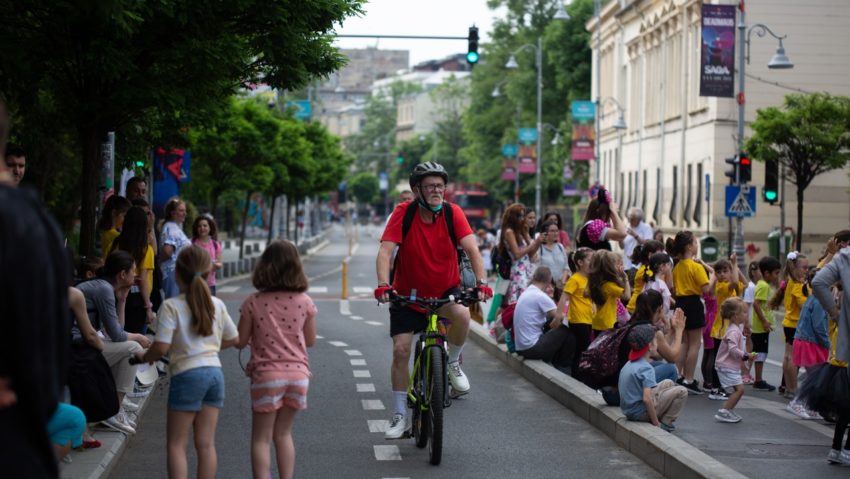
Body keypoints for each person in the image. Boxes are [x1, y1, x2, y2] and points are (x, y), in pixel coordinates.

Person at [374, 162, 491, 439]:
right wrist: (382, 285)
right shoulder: (404, 212)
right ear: (418, 190)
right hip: (407, 295)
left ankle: (451, 363)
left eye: (440, 185)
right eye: (430, 186)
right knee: (401, 350)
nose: (437, 191)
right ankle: (400, 414)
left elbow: (472, 249)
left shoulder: (453, 213)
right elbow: (385, 252)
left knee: (462, 316)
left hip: (444, 292)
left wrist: (482, 283)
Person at [136, 246, 239, 479]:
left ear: (177, 274)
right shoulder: (217, 304)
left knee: (177, 445)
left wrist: (145, 357)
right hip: (215, 374)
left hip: (188, 375)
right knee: (206, 445)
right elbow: (234, 339)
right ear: (208, 272)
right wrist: (209, 348)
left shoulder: (172, 306)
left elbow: (160, 347)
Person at [237, 240, 316, 479]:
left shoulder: (253, 302)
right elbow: (310, 340)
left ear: (265, 266)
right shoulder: (305, 301)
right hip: (298, 377)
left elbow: (241, 340)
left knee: (261, 438)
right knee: (283, 434)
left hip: (267, 376)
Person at [76, 251, 151, 435]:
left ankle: (115, 406)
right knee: (133, 348)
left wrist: (123, 300)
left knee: (129, 348)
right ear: (122, 274)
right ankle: (113, 411)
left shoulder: (106, 288)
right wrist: (138, 337)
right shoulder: (103, 289)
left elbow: (116, 330)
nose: (136, 275)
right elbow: (117, 336)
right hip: (77, 348)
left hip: (84, 345)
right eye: (133, 271)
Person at [807, 243, 850, 464]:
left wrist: (835, 314)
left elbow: (818, 281)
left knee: (847, 404)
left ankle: (836, 449)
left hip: (844, 349)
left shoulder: (845, 258)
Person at [668, 230, 714, 394]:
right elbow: (707, 289)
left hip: (680, 303)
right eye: (695, 242)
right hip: (693, 303)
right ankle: (689, 379)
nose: (697, 245)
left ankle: (677, 376)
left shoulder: (677, 266)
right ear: (689, 246)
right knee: (695, 344)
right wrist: (713, 275)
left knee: (684, 343)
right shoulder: (696, 267)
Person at [618, 324, 688, 432]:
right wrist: (655, 422)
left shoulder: (630, 364)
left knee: (668, 382)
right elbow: (647, 399)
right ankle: (665, 423)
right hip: (639, 413)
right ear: (650, 346)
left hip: (629, 410)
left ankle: (658, 416)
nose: (657, 344)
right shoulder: (646, 368)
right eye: (656, 341)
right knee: (682, 391)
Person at [513, 267, 575, 372]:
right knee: (568, 328)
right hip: (531, 348)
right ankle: (564, 367)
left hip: (520, 347)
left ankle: (558, 362)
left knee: (551, 323)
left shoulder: (527, 291)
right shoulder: (540, 296)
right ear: (549, 280)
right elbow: (560, 316)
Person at [769, 251, 809, 402]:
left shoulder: (790, 281)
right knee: (793, 358)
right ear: (795, 267)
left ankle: (788, 388)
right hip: (795, 322)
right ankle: (793, 388)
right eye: (804, 267)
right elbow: (802, 304)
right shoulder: (798, 283)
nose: (806, 270)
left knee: (787, 356)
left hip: (789, 322)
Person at [108, 206, 156, 333]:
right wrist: (148, 307)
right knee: (137, 341)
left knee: (118, 334)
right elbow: (143, 280)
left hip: (115, 295)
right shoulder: (145, 249)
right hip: (137, 300)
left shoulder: (115, 244)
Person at [705, 256, 743, 401]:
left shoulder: (730, 286)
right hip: (721, 329)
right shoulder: (722, 287)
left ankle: (719, 386)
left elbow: (742, 283)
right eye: (718, 272)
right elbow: (734, 282)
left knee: (722, 359)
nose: (722, 274)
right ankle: (715, 388)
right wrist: (734, 263)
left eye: (725, 271)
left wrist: (734, 266)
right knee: (718, 359)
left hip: (727, 329)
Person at [628, 290, 685, 383]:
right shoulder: (651, 330)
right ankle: (653, 396)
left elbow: (658, 356)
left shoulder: (631, 323)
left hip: (623, 375)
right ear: (659, 309)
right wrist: (679, 331)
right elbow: (672, 358)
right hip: (632, 379)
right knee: (672, 369)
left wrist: (671, 331)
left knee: (658, 363)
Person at [713, 298, 752, 423]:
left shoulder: (736, 328)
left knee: (738, 389)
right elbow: (732, 349)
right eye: (744, 313)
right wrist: (746, 355)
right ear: (736, 316)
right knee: (740, 390)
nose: (747, 315)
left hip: (729, 366)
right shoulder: (734, 331)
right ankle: (724, 411)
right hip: (726, 366)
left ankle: (728, 410)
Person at [557, 248, 593, 370]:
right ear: (580, 262)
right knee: (583, 349)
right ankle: (577, 375)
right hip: (578, 320)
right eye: (590, 259)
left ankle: (578, 373)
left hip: (588, 319)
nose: (593, 262)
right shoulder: (574, 279)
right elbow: (563, 298)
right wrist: (558, 317)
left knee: (582, 349)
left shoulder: (590, 279)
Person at [500, 203, 543, 304]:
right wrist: (533, 244)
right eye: (520, 216)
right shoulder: (509, 232)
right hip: (518, 271)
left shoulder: (521, 231)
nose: (522, 218)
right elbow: (517, 254)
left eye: (523, 215)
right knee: (518, 303)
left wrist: (537, 243)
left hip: (527, 269)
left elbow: (531, 254)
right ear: (513, 217)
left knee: (528, 301)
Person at [752, 256, 780, 391]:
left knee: (759, 352)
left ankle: (756, 378)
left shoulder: (763, 284)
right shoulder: (763, 285)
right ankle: (758, 379)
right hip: (760, 327)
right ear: (767, 273)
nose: (777, 276)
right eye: (776, 273)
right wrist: (764, 321)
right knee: (760, 353)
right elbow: (756, 304)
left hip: (760, 327)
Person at [588, 250, 631, 333]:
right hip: (608, 324)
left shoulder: (598, 283)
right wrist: (626, 278)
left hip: (598, 322)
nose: (621, 267)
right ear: (609, 267)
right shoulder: (609, 286)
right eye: (618, 264)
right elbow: (627, 296)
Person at [160, 197, 192, 299]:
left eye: (185, 211)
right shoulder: (170, 227)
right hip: (173, 273)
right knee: (174, 305)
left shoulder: (174, 227)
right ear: (173, 213)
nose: (184, 213)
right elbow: (167, 251)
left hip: (176, 273)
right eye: (181, 210)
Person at [626, 241, 665, 313]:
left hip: (640, 306)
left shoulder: (648, 268)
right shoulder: (646, 270)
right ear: (650, 255)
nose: (662, 256)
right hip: (636, 308)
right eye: (660, 253)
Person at [741, 262, 761, 385]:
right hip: (750, 323)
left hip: (754, 323)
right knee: (749, 348)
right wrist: (746, 323)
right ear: (754, 272)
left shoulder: (756, 286)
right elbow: (746, 306)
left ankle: (746, 372)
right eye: (760, 271)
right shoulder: (751, 287)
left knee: (752, 348)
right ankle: (744, 373)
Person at [192, 216, 223, 296]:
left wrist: (215, 265)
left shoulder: (215, 244)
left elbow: (219, 263)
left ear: (210, 228)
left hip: (210, 284)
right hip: (194, 284)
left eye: (205, 226)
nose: (202, 228)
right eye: (199, 226)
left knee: (210, 308)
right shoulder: (191, 243)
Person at [621, 207, 654, 280]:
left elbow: (648, 243)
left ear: (639, 219)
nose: (630, 220)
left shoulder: (646, 227)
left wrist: (635, 235)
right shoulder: (626, 226)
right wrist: (619, 238)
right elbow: (622, 247)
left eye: (632, 219)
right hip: (627, 263)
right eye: (629, 218)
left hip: (639, 264)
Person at [538, 221, 569, 289]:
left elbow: (566, 267)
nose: (555, 233)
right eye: (552, 231)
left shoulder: (560, 247)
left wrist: (562, 281)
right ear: (545, 233)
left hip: (560, 286)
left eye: (556, 231)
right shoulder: (539, 249)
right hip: (545, 287)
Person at [642, 252, 674, 316]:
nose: (670, 268)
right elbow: (666, 305)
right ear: (662, 267)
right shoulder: (661, 284)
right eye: (668, 264)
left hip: (651, 317)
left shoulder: (648, 282)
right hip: (660, 318)